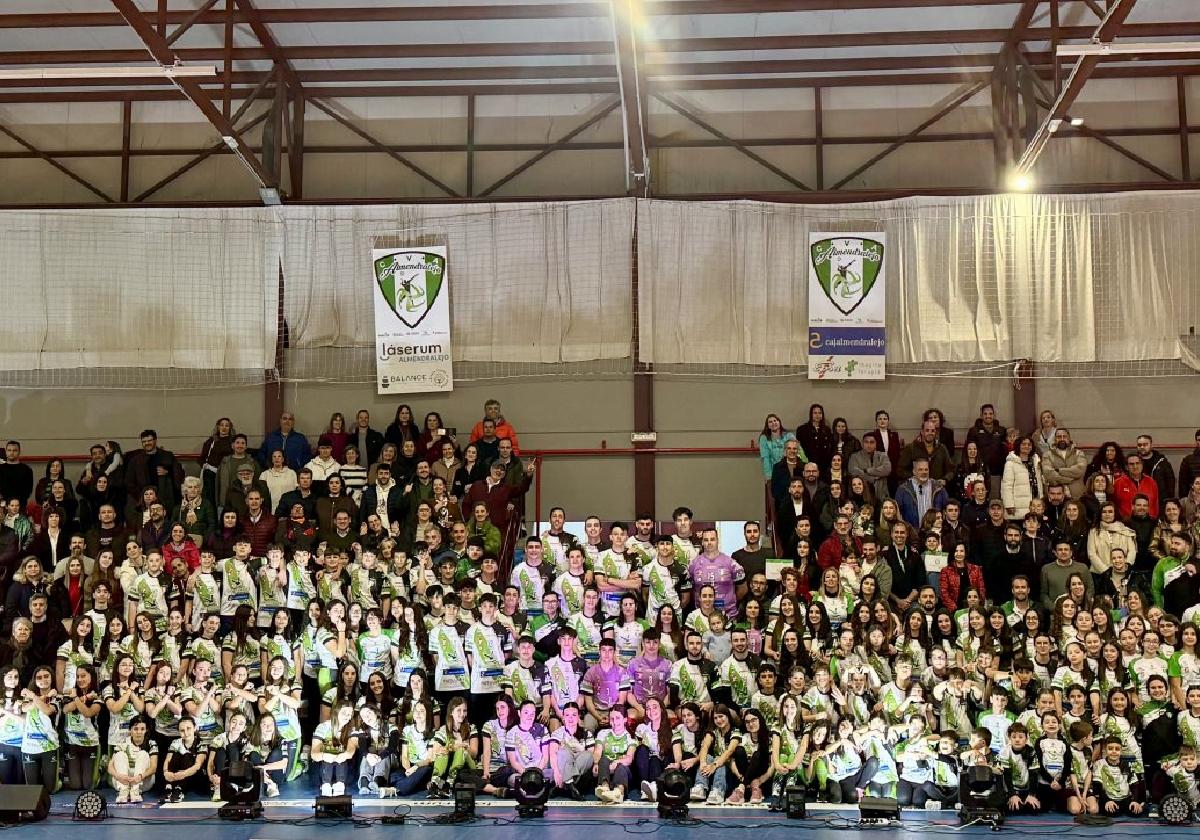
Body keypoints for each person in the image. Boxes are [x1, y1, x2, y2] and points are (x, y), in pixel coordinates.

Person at [123, 430, 186, 511]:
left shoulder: (168, 456)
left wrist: (168, 472)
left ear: (155, 440)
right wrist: (141, 495)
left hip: (165, 498)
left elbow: (180, 473)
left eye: (149, 440)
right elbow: (128, 481)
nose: (147, 443)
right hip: (144, 500)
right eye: (144, 441)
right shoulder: (135, 460)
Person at [1002, 437, 1044, 522]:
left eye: (1029, 444)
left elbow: (1039, 482)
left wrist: (1041, 498)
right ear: (1018, 446)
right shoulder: (1010, 463)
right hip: (1018, 506)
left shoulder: (1035, 461)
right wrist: (1009, 504)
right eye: (1023, 444)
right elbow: (1006, 485)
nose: (1027, 446)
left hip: (1034, 504)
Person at [1041, 429, 1087, 500]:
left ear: (1069, 438)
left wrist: (1059, 470)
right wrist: (1069, 479)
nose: (1062, 439)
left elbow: (1080, 470)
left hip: (1077, 497)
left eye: (1064, 436)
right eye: (1059, 437)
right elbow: (1048, 474)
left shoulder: (1079, 453)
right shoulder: (1047, 455)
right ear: (1055, 439)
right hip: (1055, 498)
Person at [796, 405, 834, 476]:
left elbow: (829, 448)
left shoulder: (826, 430)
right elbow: (799, 448)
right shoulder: (802, 429)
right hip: (808, 464)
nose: (817, 415)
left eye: (820, 413)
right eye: (815, 413)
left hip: (823, 466)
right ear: (811, 414)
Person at [758, 414, 798, 481]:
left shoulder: (789, 435)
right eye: (770, 422)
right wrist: (768, 477)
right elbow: (766, 459)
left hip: (790, 470)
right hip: (774, 473)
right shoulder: (764, 438)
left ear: (779, 422)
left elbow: (798, 451)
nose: (773, 423)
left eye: (775, 420)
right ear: (767, 426)